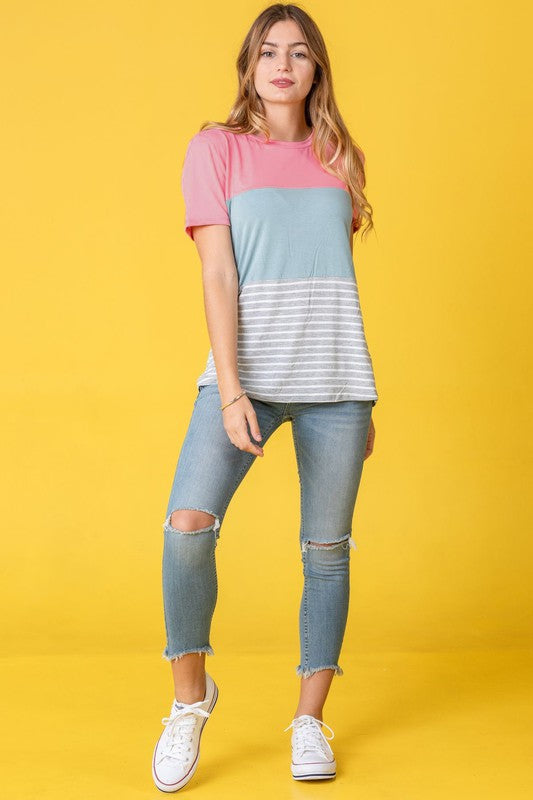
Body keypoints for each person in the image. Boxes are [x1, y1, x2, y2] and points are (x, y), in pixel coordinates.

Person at [152, 3, 379, 792]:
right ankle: (190, 701)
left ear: (317, 69)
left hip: (336, 385)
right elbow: (218, 274)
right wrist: (232, 389)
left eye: (300, 53)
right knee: (187, 526)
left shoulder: (338, 154)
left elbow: (334, 285)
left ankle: (310, 720)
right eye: (268, 53)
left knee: (326, 552)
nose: (283, 65)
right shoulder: (214, 149)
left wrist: (362, 394)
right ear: (248, 67)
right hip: (245, 376)